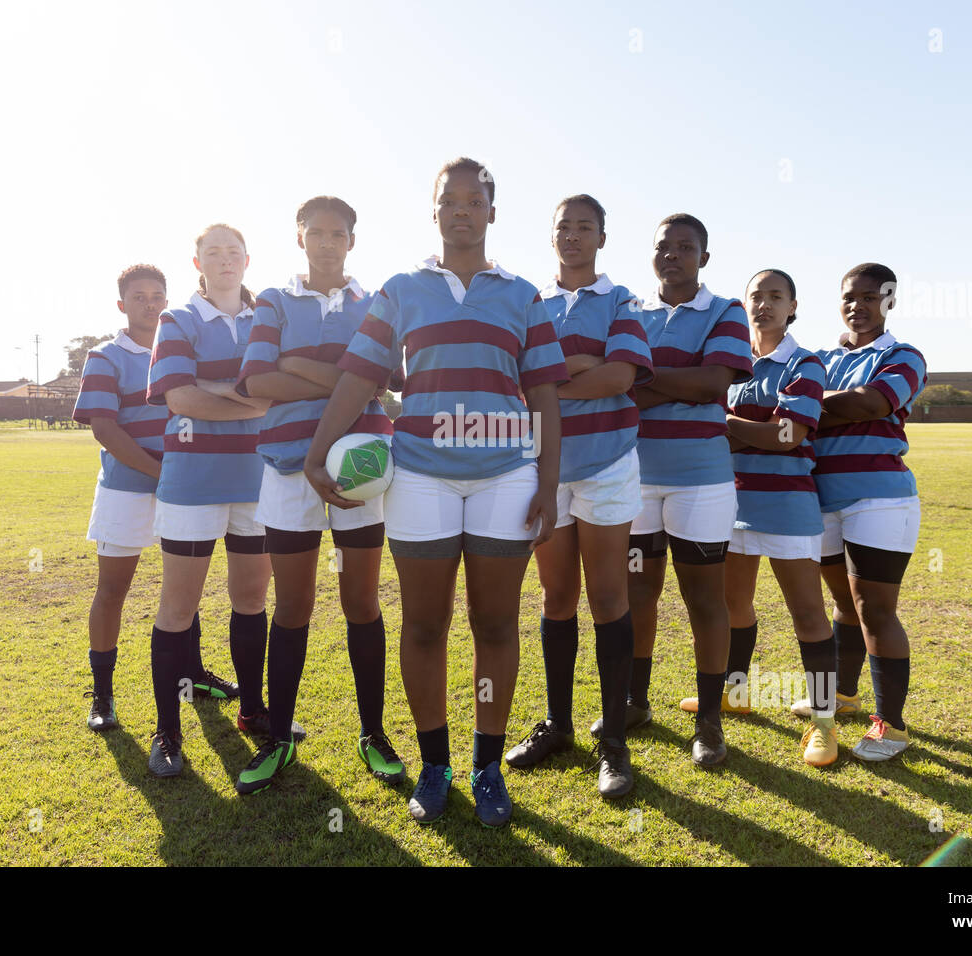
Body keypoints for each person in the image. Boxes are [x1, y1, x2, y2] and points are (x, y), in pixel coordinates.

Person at [303, 158, 567, 827]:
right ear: (435, 212)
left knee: (495, 624)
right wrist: (316, 451)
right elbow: (361, 375)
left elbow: (543, 394)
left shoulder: (523, 295)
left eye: (474, 200)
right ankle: (435, 765)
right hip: (419, 470)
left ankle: (485, 767)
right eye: (449, 200)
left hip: (506, 473)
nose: (461, 210)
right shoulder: (401, 289)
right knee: (424, 625)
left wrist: (549, 479)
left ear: (491, 212)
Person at [232, 196, 406, 793]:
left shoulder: (376, 301)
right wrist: (346, 377)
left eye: (339, 234)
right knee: (294, 607)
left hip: (359, 465)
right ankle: (279, 737)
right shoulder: (273, 301)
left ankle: (373, 734)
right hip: (287, 466)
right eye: (317, 233)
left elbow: (386, 377)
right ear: (299, 237)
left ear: (352, 242)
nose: (328, 242)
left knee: (362, 603)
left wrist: (300, 363)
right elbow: (258, 379)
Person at [504, 194, 651, 799]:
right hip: (546, 467)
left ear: (602, 237)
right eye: (563, 227)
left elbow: (622, 374)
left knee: (608, 597)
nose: (573, 236)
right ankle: (558, 725)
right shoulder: (530, 301)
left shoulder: (622, 299)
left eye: (584, 227)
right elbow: (515, 375)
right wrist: (580, 366)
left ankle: (612, 741)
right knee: (556, 594)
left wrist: (551, 387)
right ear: (552, 236)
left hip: (608, 464)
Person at [679, 269, 838, 766]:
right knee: (733, 607)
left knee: (807, 615)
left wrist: (724, 423)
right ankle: (736, 691)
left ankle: (825, 722)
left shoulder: (804, 363)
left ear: (793, 306)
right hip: (731, 501)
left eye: (776, 297)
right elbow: (764, 431)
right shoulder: (730, 362)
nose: (764, 305)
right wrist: (759, 427)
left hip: (788, 505)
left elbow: (789, 436)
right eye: (755, 296)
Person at [142, 223, 278, 778]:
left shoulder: (270, 316)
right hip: (193, 481)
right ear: (196, 262)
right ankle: (168, 731)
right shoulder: (177, 320)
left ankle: (251, 708)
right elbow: (180, 396)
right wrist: (251, 402)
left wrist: (217, 393)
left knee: (251, 600)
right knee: (178, 609)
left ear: (248, 259)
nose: (224, 260)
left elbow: (284, 386)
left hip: (258, 480)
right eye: (212, 252)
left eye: (232, 251)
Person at [618, 214, 752, 767]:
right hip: (632, 476)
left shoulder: (726, 310)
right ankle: (634, 700)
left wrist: (642, 381)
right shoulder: (628, 310)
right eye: (662, 247)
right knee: (636, 595)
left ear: (704, 256)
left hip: (700, 478)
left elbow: (713, 383)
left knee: (704, 600)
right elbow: (620, 381)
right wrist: (676, 383)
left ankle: (709, 722)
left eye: (685, 247)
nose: (672, 255)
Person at [803, 262, 927, 761]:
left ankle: (891, 727)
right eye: (850, 297)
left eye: (870, 297)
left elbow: (870, 403)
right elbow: (794, 404)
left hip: (879, 496)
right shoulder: (819, 356)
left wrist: (811, 403)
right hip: (820, 495)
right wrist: (820, 402)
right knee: (842, 604)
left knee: (876, 610)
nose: (858, 305)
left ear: (889, 300)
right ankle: (845, 697)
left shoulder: (903, 355)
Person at [72, 264, 170, 732]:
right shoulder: (105, 355)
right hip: (127, 490)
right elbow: (104, 428)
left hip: (181, 492)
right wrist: (160, 472)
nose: (149, 304)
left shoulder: (180, 351)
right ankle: (103, 696)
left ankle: (189, 674)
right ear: (122, 304)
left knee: (181, 592)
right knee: (113, 591)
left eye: (156, 295)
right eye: (139, 296)